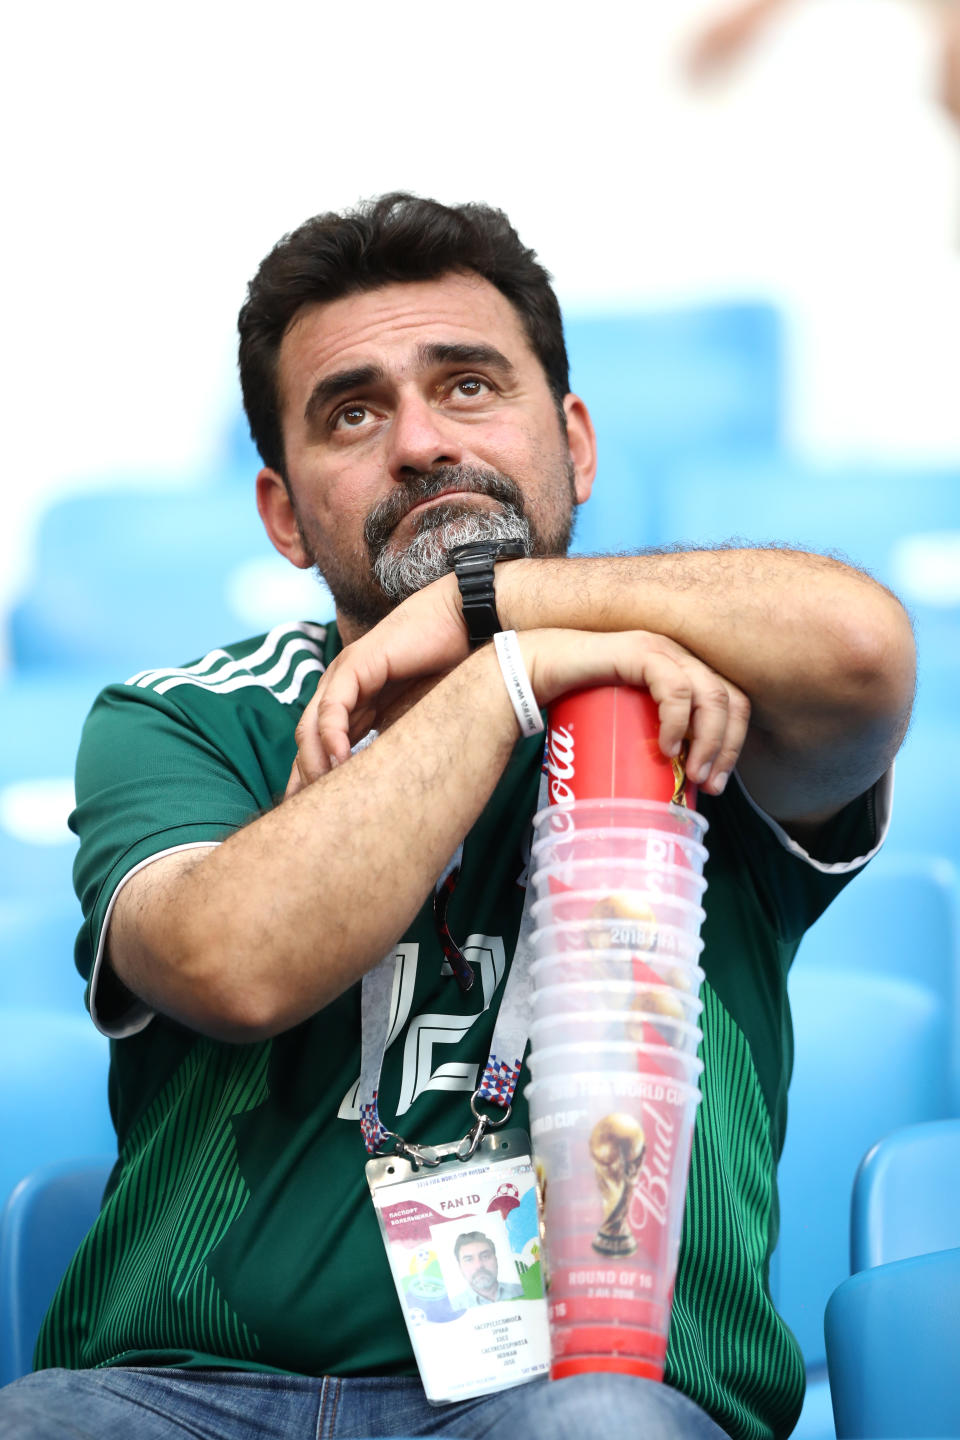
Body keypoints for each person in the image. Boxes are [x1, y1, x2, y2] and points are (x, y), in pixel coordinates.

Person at [0, 193, 915, 1440]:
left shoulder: (701, 698)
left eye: (471, 386)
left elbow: (864, 649)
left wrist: (493, 602)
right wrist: (504, 679)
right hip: (176, 1395)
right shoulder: (184, 718)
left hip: (579, 1400)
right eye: (355, 412)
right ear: (282, 513)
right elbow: (236, 961)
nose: (422, 443)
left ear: (578, 446)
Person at [452, 1232, 525, 1308]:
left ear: (496, 1260)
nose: (479, 1265)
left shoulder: (521, 1290)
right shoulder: (455, 1307)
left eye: (485, 1256)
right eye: (469, 1260)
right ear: (460, 1267)